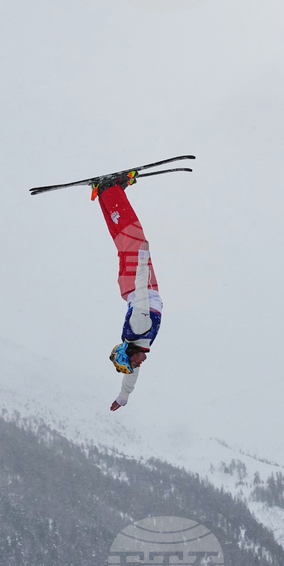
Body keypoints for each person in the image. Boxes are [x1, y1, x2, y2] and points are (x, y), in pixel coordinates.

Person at [94, 171, 162, 411]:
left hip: (138, 283)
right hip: (129, 286)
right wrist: (124, 397)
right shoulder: (138, 342)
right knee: (123, 243)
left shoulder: (139, 328)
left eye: (134, 361)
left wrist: (144, 258)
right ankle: (107, 195)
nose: (140, 363)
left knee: (133, 237)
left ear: (129, 351)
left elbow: (143, 291)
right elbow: (131, 376)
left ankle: (110, 190)